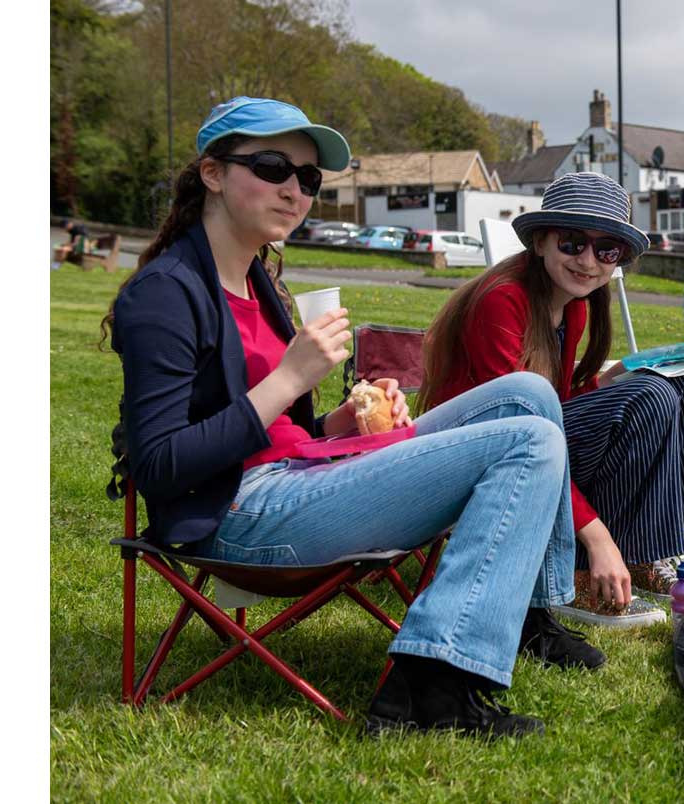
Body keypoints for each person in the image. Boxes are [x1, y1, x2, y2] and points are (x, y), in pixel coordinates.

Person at [104, 96, 599, 740]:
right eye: (274, 166)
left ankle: (529, 612)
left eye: (308, 179)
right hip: (241, 517)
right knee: (528, 443)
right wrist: (289, 378)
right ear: (212, 173)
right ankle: (430, 689)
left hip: (296, 478)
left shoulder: (256, 281)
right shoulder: (165, 295)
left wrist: (339, 423)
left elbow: (282, 433)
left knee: (527, 394)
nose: (294, 189)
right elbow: (161, 465)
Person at [420, 171, 684, 609]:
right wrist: (597, 536)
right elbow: (518, 432)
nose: (588, 260)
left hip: (524, 439)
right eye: (572, 242)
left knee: (681, 385)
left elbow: (556, 405)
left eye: (606, 249)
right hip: (475, 460)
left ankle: (647, 548)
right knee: (652, 397)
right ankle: (584, 566)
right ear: (541, 242)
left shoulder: (573, 307)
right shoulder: (501, 300)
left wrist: (618, 374)